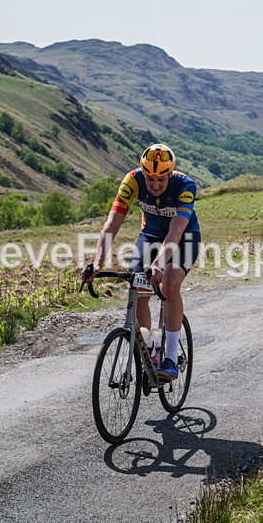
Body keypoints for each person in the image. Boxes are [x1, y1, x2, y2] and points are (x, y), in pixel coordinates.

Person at [83, 144, 201, 382]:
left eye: (161, 179)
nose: (155, 185)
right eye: (150, 178)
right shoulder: (132, 181)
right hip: (149, 237)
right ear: (142, 172)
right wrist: (97, 263)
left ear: (170, 174)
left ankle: (169, 358)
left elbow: (176, 233)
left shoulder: (185, 186)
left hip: (183, 238)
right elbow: (112, 225)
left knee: (169, 284)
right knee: (136, 288)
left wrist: (158, 263)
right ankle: (150, 349)